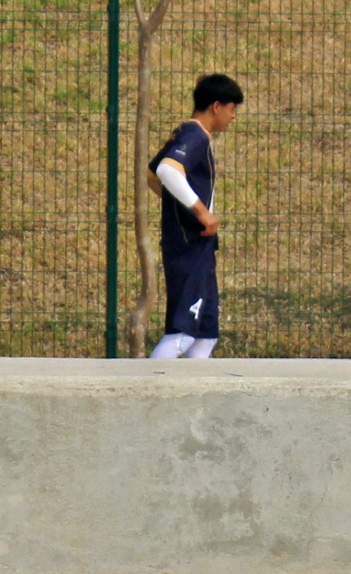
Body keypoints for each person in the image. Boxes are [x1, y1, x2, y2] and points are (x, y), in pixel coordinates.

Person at [148, 74, 244, 360]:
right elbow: (166, 171)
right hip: (188, 245)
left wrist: (179, 205)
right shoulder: (195, 136)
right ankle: (145, 385)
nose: (233, 116)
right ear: (216, 106)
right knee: (183, 335)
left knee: (205, 335)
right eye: (232, 109)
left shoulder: (187, 133)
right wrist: (202, 213)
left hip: (199, 246)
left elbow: (151, 174)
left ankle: (195, 389)